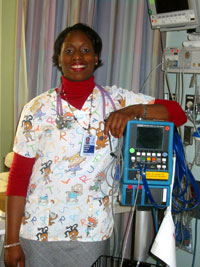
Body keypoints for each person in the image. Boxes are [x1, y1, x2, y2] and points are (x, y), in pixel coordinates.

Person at [4, 23, 187, 267]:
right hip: (38, 231)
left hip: (92, 233)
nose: (77, 57)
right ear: (58, 58)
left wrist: (133, 110)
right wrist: (11, 241)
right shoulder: (36, 108)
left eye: (85, 50)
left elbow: (177, 114)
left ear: (96, 57)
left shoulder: (116, 100)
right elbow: (18, 178)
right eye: (68, 51)